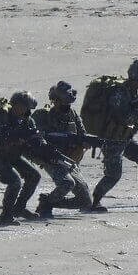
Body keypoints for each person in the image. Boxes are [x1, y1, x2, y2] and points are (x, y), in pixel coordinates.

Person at [89, 60, 138, 212]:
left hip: (124, 138)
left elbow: (137, 115)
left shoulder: (135, 93)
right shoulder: (119, 93)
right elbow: (124, 118)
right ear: (135, 78)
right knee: (113, 175)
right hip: (112, 139)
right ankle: (95, 201)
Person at [0, 91, 43, 225]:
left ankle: (19, 208)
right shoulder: (0, 117)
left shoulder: (27, 120)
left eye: (26, 107)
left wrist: (31, 142)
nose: (25, 110)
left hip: (13, 154)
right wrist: (10, 141)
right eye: (22, 106)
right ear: (14, 105)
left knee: (34, 176)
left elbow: (34, 139)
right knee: (14, 182)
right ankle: (6, 216)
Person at [32, 81, 93, 216]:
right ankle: (46, 205)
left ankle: (47, 201)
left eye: (68, 102)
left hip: (70, 159)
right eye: (63, 102)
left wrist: (85, 142)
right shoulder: (43, 115)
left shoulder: (72, 114)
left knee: (86, 201)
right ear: (54, 100)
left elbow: (82, 134)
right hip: (52, 159)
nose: (66, 105)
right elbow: (35, 137)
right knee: (67, 183)